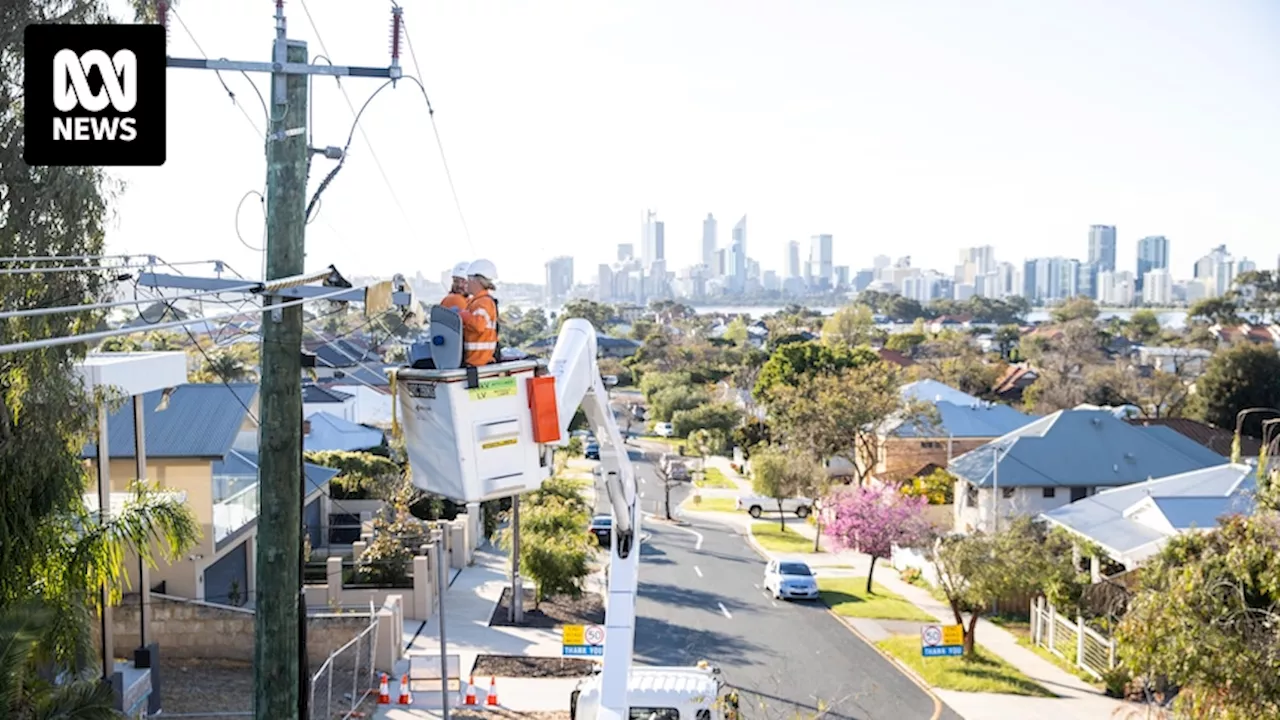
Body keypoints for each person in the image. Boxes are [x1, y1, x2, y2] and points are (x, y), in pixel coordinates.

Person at [458, 258, 499, 367]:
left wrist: (463, 315)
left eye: (468, 279)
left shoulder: (483, 302)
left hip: (479, 362)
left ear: (475, 280)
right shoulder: (477, 301)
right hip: (477, 360)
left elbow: (478, 325)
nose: (466, 283)